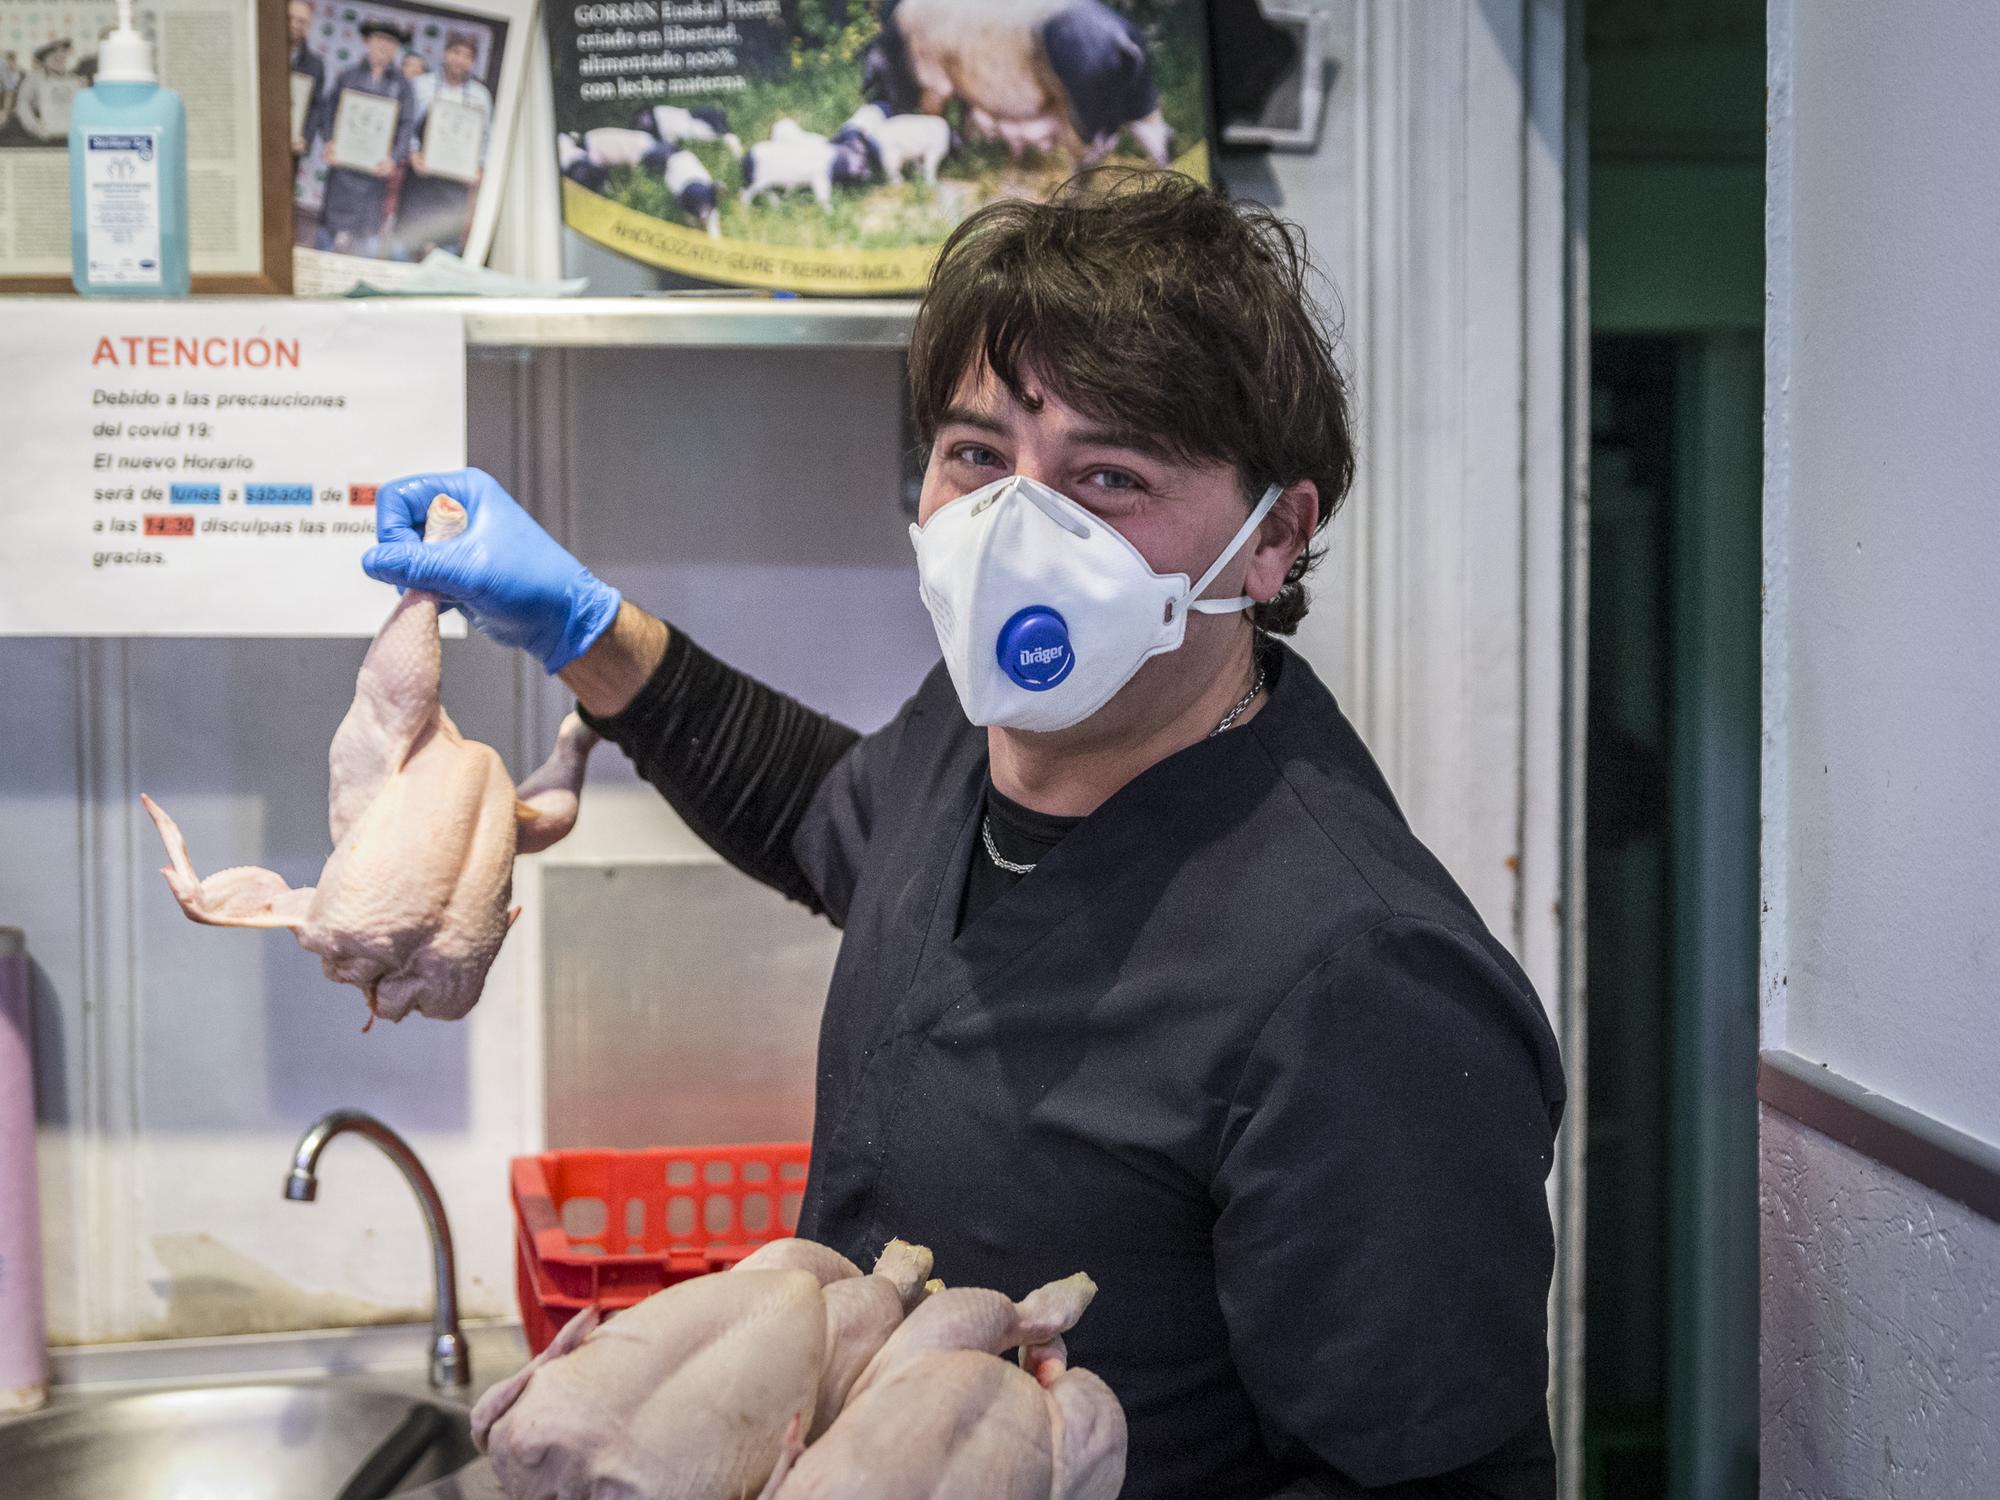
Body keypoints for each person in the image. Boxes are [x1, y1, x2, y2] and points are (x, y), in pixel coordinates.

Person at [367, 174, 1566, 1499]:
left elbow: (1437, 1477)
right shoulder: (969, 728)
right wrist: (588, 633)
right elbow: (834, 819)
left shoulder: (1365, 985)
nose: (1019, 532)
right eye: (980, 459)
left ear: (1274, 536)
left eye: (1108, 476)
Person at [310, 16, 416, 257]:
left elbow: (406, 126)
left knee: (367, 239)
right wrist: (329, 142)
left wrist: (394, 158)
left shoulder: (403, 86)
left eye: (391, 41)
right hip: (343, 170)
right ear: (368, 41)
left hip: (375, 175)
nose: (384, 45)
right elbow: (328, 111)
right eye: (380, 38)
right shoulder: (347, 76)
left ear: (397, 47)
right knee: (326, 235)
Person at [392, 31, 490, 260]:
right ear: (446, 53)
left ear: (473, 62)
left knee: (447, 249)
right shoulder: (421, 86)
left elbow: (486, 137)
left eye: (467, 56)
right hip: (420, 178)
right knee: (403, 245)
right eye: (456, 52)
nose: (460, 60)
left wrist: (479, 167)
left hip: (455, 184)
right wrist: (414, 153)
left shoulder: (481, 96)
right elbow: (406, 125)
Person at [16, 38, 79, 142]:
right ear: (43, 59)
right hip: (44, 136)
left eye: (63, 51)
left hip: (72, 137)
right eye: (53, 53)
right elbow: (23, 104)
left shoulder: (75, 79)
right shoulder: (33, 78)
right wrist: (33, 126)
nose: (59, 55)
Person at [287, 0, 326, 159]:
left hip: (290, 148)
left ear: (308, 27)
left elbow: (316, 107)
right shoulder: (259, 51)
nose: (295, 24)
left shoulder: (315, 65)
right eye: (290, 18)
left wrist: (305, 139)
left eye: (301, 21)